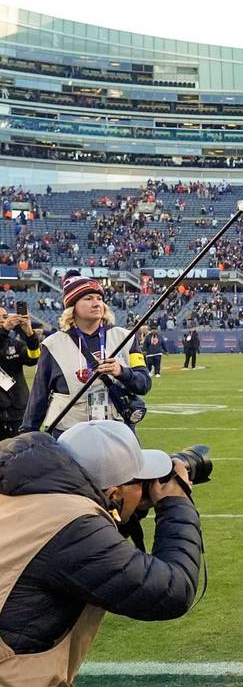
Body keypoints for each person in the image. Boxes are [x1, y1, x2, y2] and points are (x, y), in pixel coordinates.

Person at [0, 420, 202, 686]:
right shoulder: (70, 526)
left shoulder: (23, 487)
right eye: (139, 483)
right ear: (114, 492)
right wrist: (176, 504)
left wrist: (124, 511)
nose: (146, 490)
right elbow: (171, 590)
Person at [22, 272, 151, 438]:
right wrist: (27, 434)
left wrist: (121, 372)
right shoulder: (52, 344)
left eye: (99, 298)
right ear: (72, 306)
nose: (96, 303)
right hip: (68, 434)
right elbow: (39, 395)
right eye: (88, 298)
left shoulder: (125, 337)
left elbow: (144, 384)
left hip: (117, 431)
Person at [0, 307, 41, 440]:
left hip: (18, 410)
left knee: (19, 452)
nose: (2, 320)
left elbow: (33, 358)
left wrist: (30, 334)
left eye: (5, 317)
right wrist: (4, 330)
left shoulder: (15, 344)